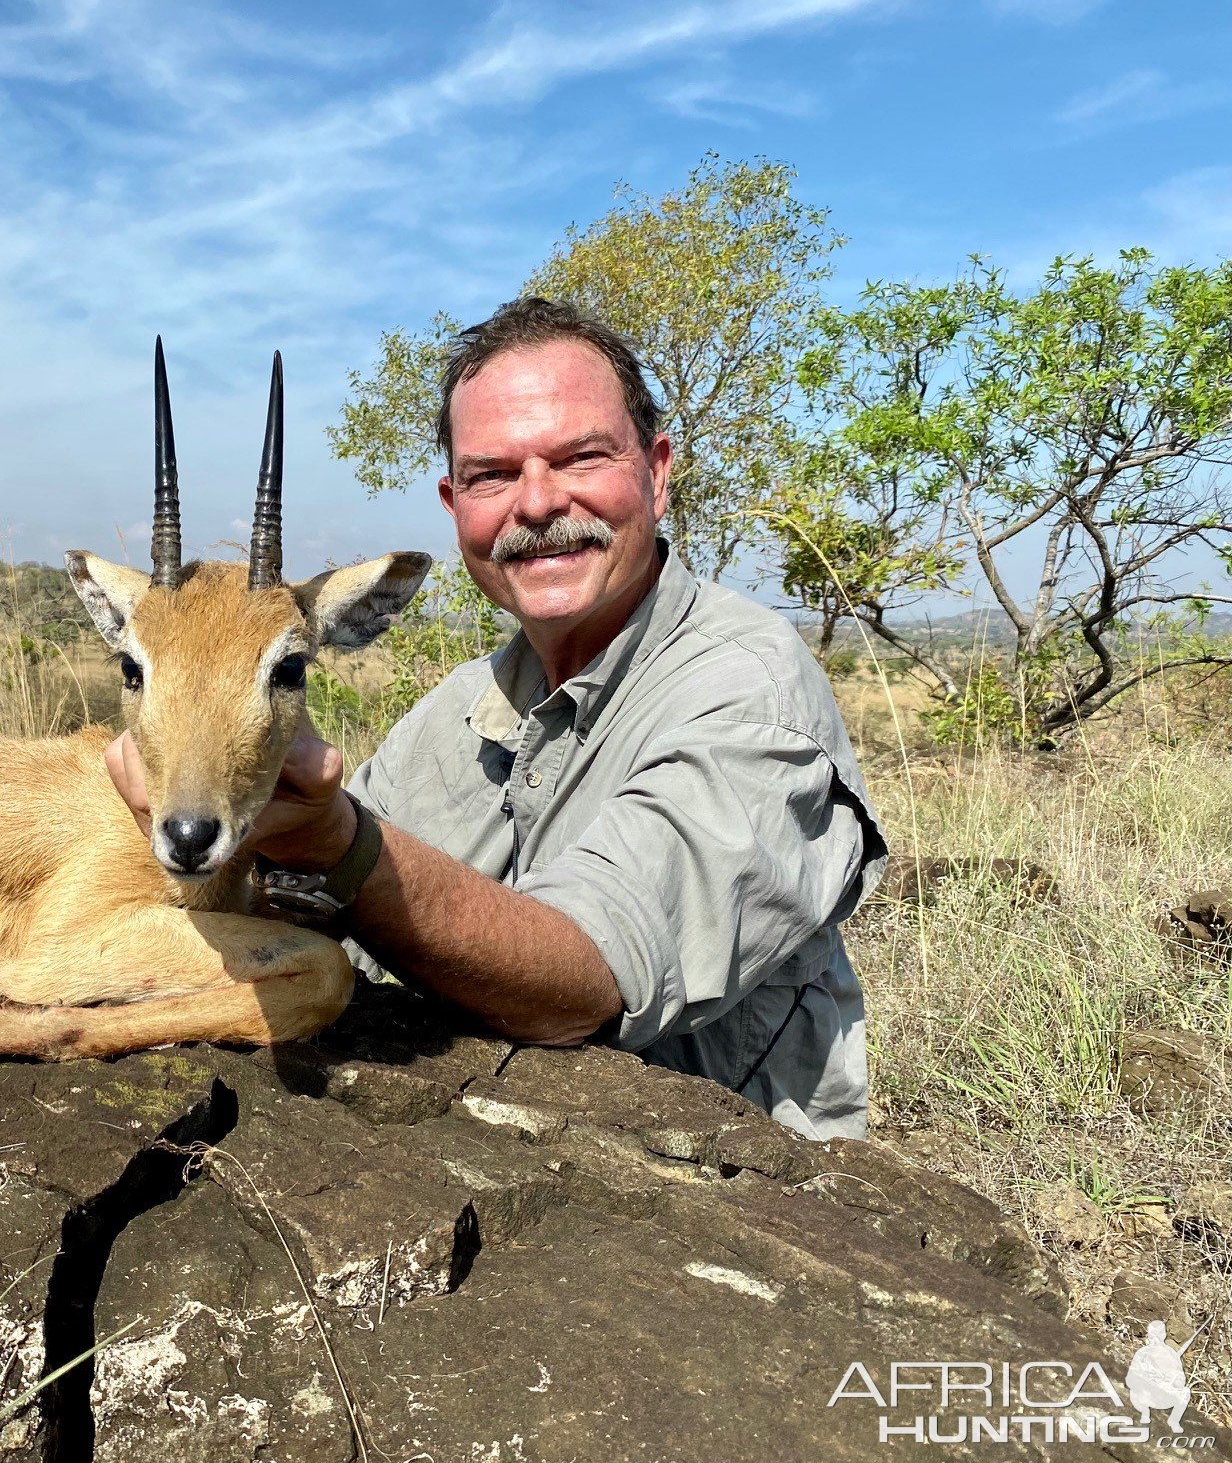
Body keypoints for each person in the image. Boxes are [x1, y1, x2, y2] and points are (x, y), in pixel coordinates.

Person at [107, 297, 886, 1140]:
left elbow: (585, 985)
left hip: (715, 1174)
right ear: (454, 506)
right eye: (493, 475)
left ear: (657, 473)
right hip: (480, 1128)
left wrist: (338, 843)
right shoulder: (460, 706)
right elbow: (312, 911)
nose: (539, 503)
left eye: (581, 458)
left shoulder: (749, 687)